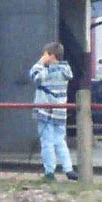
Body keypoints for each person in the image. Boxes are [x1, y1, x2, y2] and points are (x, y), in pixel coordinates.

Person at [30, 41, 77, 181]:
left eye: (45, 54)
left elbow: (34, 76)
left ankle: (49, 171)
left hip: (45, 110)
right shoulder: (66, 70)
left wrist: (40, 62)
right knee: (60, 141)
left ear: (51, 56)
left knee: (47, 142)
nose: (42, 56)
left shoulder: (47, 70)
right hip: (60, 111)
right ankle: (68, 169)